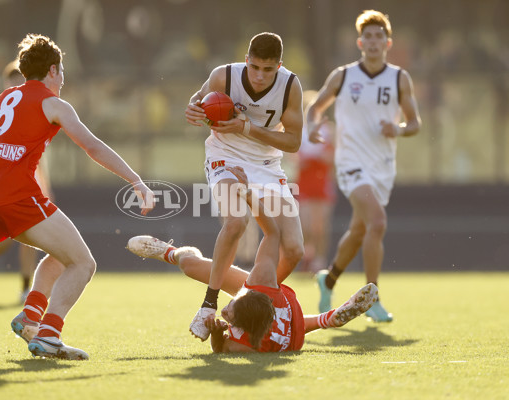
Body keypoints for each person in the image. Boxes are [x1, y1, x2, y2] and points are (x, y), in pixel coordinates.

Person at [0, 34, 154, 360]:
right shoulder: (52, 103)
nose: (64, 78)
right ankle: (50, 334)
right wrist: (135, 179)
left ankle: (30, 316)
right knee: (84, 264)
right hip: (16, 196)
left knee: (59, 257)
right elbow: (93, 146)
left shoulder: (5, 98)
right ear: (53, 70)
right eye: (63, 71)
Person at [127, 166, 377, 353]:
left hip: (291, 329)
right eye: (231, 306)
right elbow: (273, 232)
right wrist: (247, 194)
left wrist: (216, 333)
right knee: (191, 265)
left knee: (190, 264)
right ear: (252, 291)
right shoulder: (262, 285)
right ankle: (167, 251)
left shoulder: (249, 343)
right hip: (288, 325)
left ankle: (328, 319)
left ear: (244, 328)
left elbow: (223, 347)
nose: (224, 309)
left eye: (228, 313)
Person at [184, 32, 305, 341]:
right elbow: (197, 103)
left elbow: (293, 142)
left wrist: (247, 128)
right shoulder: (223, 75)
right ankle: (208, 306)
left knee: (293, 249)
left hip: (266, 165)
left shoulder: (290, 85)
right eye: (255, 67)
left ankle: (251, 302)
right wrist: (194, 111)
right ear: (246, 59)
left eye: (268, 69)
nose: (261, 76)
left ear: (279, 65)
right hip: (224, 156)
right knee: (237, 223)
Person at [306, 10, 421, 322]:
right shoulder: (343, 76)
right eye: (367, 37)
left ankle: (327, 280)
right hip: (350, 162)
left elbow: (414, 124)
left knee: (359, 231)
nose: (373, 42)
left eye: (378, 37)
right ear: (360, 42)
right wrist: (312, 126)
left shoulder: (399, 78)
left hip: (382, 166)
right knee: (378, 223)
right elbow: (316, 107)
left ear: (388, 42)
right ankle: (373, 298)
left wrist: (396, 129)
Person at [0, 60, 51, 303]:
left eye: (20, 79)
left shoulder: (30, 108)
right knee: (8, 236)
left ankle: (25, 288)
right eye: (12, 80)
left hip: (25, 182)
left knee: (31, 235)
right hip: (0, 183)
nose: (16, 84)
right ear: (5, 83)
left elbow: (38, 154)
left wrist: (46, 185)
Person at [295, 91, 337, 275]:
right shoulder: (299, 132)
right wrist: (302, 159)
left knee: (320, 226)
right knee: (304, 225)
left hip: (322, 182)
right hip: (304, 182)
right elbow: (293, 157)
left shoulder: (329, 131)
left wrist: (322, 157)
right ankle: (307, 256)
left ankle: (319, 262)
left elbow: (332, 156)